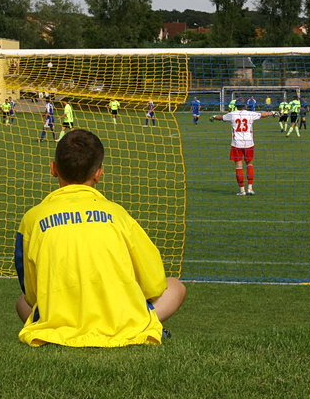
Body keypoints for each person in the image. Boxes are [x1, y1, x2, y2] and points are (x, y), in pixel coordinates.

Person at [14, 129, 186, 347]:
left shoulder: (32, 218)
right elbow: (154, 284)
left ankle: (58, 332)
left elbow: (30, 291)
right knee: (175, 287)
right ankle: (139, 325)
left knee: (21, 303)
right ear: (98, 173)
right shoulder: (118, 214)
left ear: (53, 169)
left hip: (61, 318)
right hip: (119, 322)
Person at [211, 105, 276, 195]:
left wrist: (214, 116)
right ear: (245, 106)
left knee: (238, 166)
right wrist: (272, 113)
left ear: (236, 106)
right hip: (249, 143)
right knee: (249, 164)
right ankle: (250, 188)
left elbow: (221, 117)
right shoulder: (250, 114)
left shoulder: (232, 114)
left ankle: (242, 190)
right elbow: (262, 115)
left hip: (236, 143)